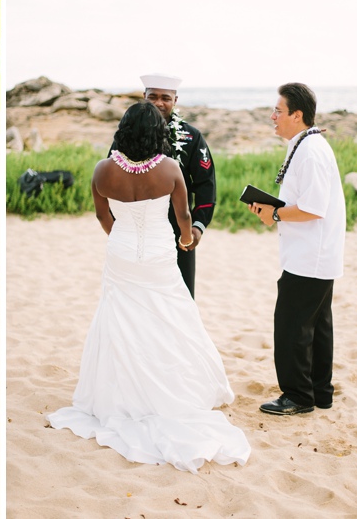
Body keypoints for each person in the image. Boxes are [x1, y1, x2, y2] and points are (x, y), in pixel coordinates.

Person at [49, 102, 250, 473]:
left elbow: (101, 215)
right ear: (158, 133)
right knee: (170, 315)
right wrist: (187, 240)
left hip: (121, 252)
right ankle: (174, 386)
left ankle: (122, 391)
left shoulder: (102, 170)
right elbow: (184, 215)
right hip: (159, 252)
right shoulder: (170, 168)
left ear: (123, 131)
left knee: (120, 317)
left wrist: (121, 238)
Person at [249, 83, 346, 415]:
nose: (272, 116)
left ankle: (298, 396)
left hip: (310, 256)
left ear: (297, 114)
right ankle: (320, 393)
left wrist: (274, 212)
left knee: (291, 326)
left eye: (278, 110)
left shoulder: (312, 150)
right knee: (317, 327)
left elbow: (314, 207)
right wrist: (272, 209)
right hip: (313, 253)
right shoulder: (305, 145)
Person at [111, 73, 216, 298]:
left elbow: (206, 185)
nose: (159, 103)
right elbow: (113, 179)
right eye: (153, 97)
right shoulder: (126, 135)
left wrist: (197, 227)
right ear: (144, 97)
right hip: (136, 234)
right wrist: (120, 227)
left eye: (166, 98)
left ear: (175, 100)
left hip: (179, 232)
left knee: (180, 297)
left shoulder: (191, 137)